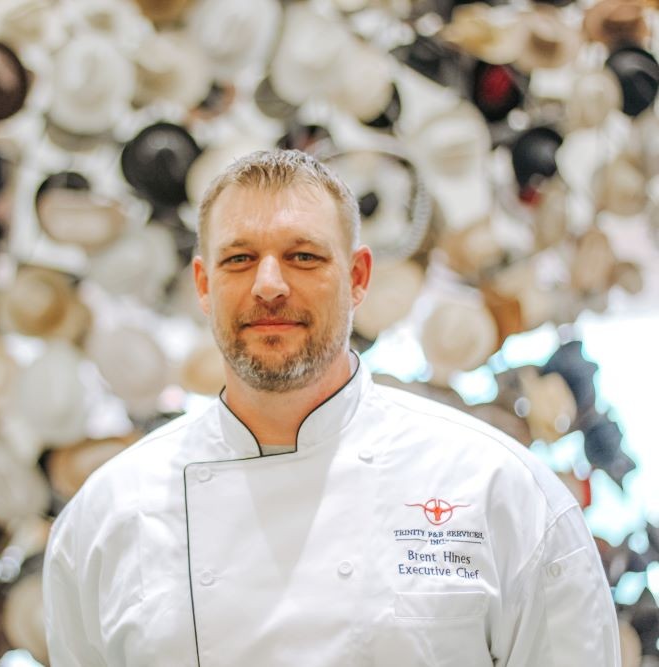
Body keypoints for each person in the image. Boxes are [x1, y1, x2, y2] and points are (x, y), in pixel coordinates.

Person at [42, 149, 619, 666]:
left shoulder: (501, 490)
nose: (269, 285)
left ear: (359, 277)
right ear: (203, 284)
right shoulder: (105, 519)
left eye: (303, 256)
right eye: (239, 259)